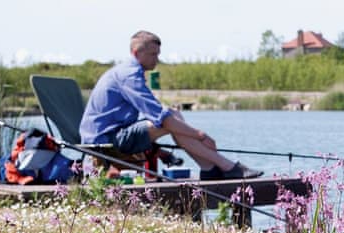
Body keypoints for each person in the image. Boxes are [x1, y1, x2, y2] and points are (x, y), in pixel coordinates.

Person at [80, 30, 262, 180]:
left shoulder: (126, 71)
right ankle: (226, 167)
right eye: (152, 54)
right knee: (172, 119)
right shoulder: (129, 76)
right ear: (136, 53)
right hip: (106, 141)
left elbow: (160, 113)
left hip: (113, 134)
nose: (156, 60)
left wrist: (192, 133)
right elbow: (163, 119)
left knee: (173, 115)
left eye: (158, 55)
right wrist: (200, 135)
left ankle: (210, 168)